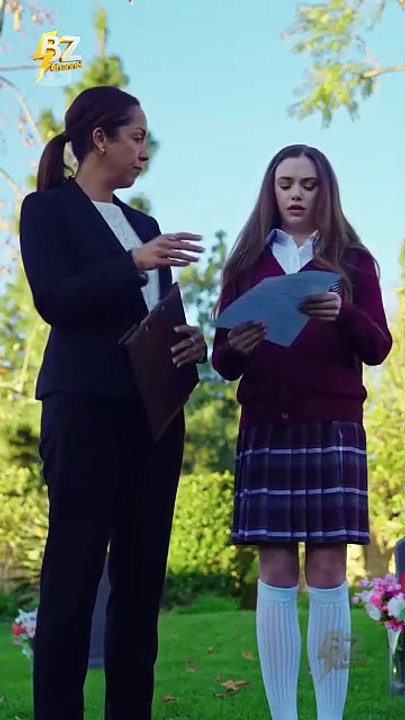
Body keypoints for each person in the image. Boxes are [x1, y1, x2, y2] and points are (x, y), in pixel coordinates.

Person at [19, 85, 207, 720]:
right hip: (84, 410)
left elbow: (150, 319)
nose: (145, 151)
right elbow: (56, 301)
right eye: (137, 137)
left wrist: (188, 341)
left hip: (155, 417)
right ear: (99, 138)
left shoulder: (145, 226)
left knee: (141, 581)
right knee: (73, 577)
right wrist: (132, 262)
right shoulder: (47, 211)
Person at [212, 144, 392, 720]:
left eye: (307, 184)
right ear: (271, 190)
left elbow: (379, 347)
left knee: (330, 572)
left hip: (333, 429)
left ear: (325, 191)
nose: (295, 193)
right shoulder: (245, 264)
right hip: (267, 427)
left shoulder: (354, 262)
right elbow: (222, 360)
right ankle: (283, 716)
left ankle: (331, 716)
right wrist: (237, 347)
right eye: (285, 183)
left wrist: (345, 314)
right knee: (276, 573)